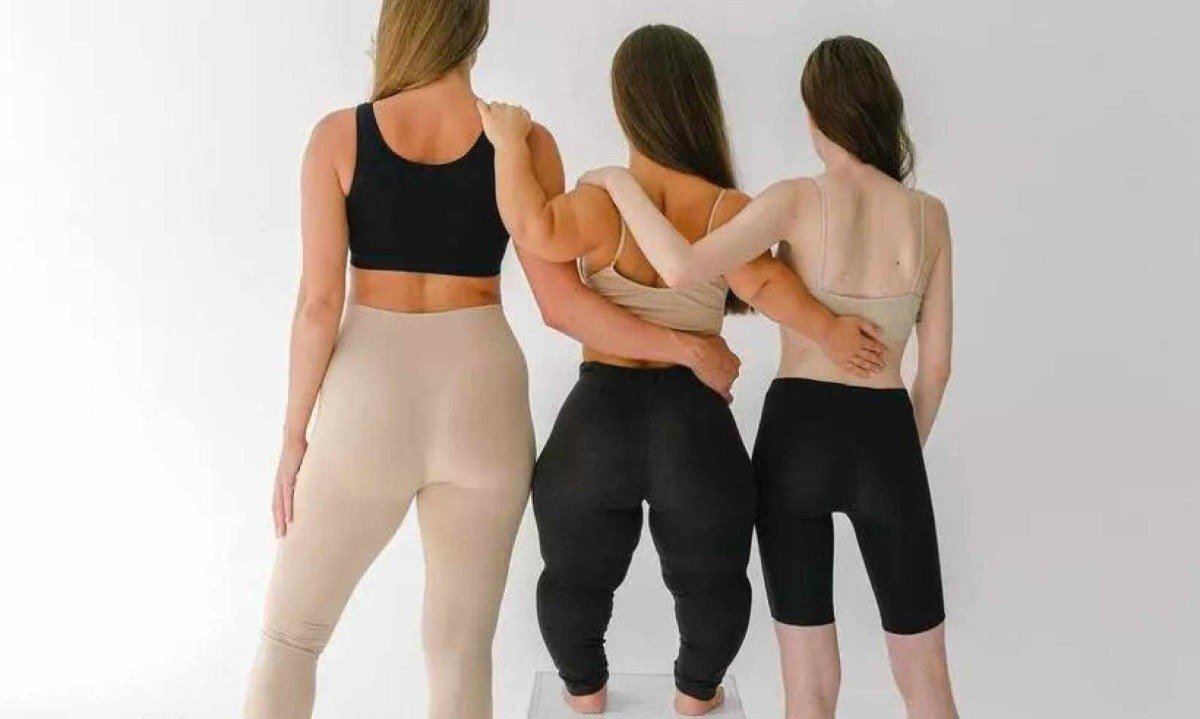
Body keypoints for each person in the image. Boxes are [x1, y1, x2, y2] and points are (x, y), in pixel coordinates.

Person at [243, 3, 745, 718]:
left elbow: (318, 306)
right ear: (475, 32)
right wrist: (687, 347)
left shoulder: (338, 137)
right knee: (459, 648)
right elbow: (561, 305)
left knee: (291, 637)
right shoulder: (525, 141)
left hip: (370, 390)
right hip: (482, 389)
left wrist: (295, 434)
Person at [477, 24, 888, 717]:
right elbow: (769, 287)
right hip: (693, 422)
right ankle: (697, 698)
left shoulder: (601, 202)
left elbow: (533, 227)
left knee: (572, 578)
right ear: (699, 103)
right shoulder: (725, 210)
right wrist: (830, 330)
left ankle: (585, 696)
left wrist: (510, 144)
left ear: (626, 107)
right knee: (713, 583)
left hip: (597, 419)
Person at [582, 35, 959, 719]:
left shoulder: (794, 199)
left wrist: (618, 182)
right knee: (927, 681)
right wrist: (897, 456)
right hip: (886, 435)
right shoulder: (929, 215)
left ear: (814, 115)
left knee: (808, 688)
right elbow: (936, 368)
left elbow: (682, 266)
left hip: (797, 439)